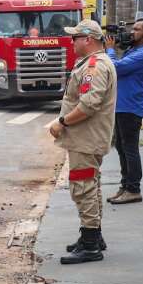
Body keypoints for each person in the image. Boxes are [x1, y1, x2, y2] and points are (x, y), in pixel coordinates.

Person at [49, 20, 116, 265]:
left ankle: (90, 245)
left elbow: (89, 104)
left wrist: (62, 123)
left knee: (83, 188)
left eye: (75, 37)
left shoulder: (95, 65)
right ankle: (92, 237)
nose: (72, 41)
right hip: (88, 137)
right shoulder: (94, 63)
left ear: (88, 39)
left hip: (85, 138)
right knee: (91, 185)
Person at [105, 19, 143, 205]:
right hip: (121, 106)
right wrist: (117, 45)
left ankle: (134, 189)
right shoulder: (133, 50)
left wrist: (110, 49)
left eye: (136, 29)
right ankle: (126, 185)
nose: (132, 32)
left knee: (130, 149)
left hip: (131, 108)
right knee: (121, 147)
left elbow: (115, 68)